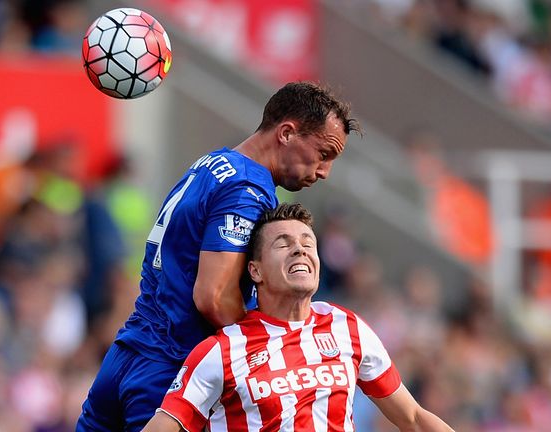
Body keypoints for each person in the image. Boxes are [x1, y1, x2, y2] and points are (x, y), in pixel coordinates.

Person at [76, 82, 360, 431]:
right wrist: (271, 356)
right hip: (171, 372)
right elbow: (213, 297)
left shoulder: (214, 164)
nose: (323, 172)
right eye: (323, 154)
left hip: (127, 355)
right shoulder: (247, 190)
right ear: (287, 133)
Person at [143, 203, 454, 431]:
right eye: (284, 244)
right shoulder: (220, 351)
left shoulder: (348, 328)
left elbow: (412, 417)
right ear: (256, 270)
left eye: (308, 243)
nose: (300, 250)